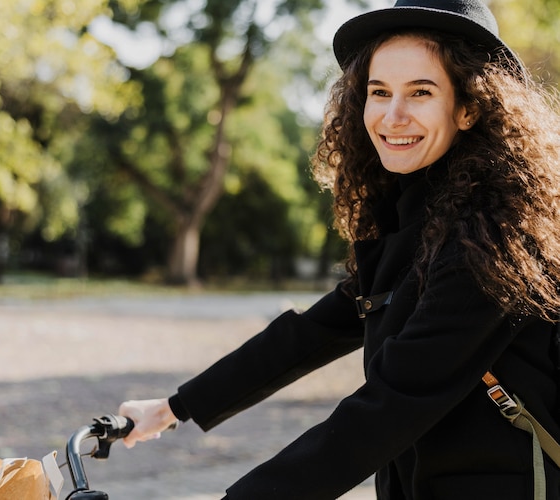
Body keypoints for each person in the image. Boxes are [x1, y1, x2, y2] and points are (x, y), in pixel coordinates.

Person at [118, 0, 560, 498]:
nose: (393, 116)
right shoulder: (417, 218)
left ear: (468, 107)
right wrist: (175, 408)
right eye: (379, 91)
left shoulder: (491, 239)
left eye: (420, 91)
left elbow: (389, 406)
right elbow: (313, 332)